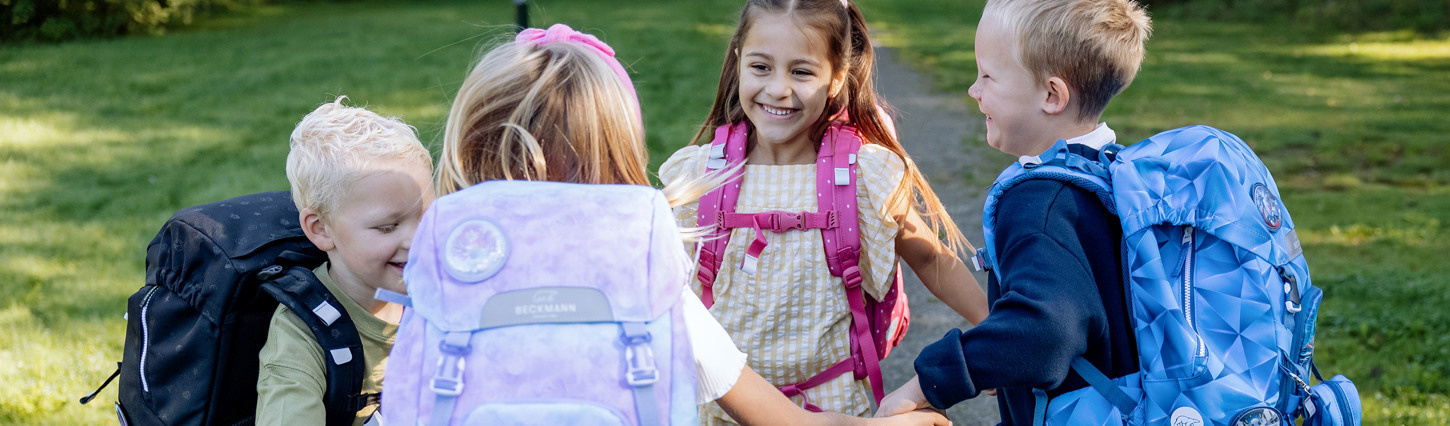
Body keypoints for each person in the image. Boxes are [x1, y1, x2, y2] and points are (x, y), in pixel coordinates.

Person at [430, 23, 949, 426]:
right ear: (617, 163)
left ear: (469, 153)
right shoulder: (648, 282)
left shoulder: (437, 280)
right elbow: (780, 419)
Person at [657, 1, 991, 422]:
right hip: (720, 408)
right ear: (740, 60)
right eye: (761, 67)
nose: (778, 88)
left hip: (832, 408)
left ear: (836, 77)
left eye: (801, 72)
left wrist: (993, 331)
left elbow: (931, 259)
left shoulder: (863, 178)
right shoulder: (701, 179)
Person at [873, 0, 1153, 424]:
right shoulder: (1115, 173)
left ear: (1052, 95)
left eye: (988, 75)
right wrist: (995, 353)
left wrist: (927, 383)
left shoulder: (1039, 202)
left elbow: (1045, 331)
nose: (974, 89)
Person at [257, 97, 435, 425]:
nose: (417, 241)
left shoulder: (443, 295)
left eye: (427, 218)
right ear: (321, 229)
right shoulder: (300, 333)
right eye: (387, 227)